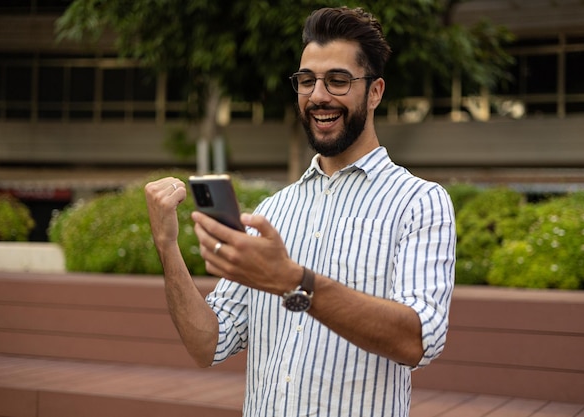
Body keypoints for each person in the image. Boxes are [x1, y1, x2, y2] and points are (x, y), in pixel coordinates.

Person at [145, 6, 455, 417]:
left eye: (338, 80)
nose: (319, 95)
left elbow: (417, 341)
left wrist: (295, 281)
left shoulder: (419, 202)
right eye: (306, 81)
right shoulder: (274, 209)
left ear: (375, 92)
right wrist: (167, 247)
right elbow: (209, 344)